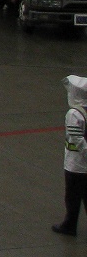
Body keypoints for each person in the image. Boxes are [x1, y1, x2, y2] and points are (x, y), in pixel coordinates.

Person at [53, 75, 87, 236]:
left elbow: (77, 139)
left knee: (72, 196)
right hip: (83, 165)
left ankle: (69, 225)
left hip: (76, 164)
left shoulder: (74, 114)